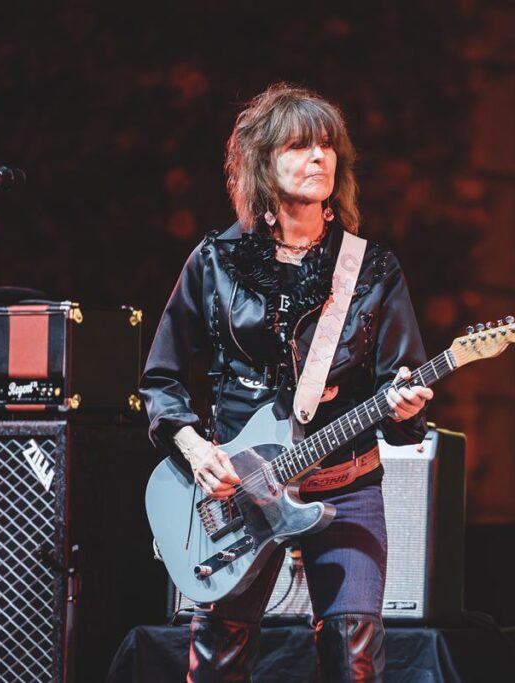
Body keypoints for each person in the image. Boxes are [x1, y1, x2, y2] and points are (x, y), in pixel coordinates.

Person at [140, 82, 433, 682]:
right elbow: (160, 378)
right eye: (299, 145)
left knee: (354, 659)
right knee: (219, 660)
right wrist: (196, 451)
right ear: (262, 163)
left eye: (327, 145)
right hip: (238, 493)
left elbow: (401, 391)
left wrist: (406, 409)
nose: (319, 156)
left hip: (345, 485)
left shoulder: (371, 270)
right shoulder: (216, 261)